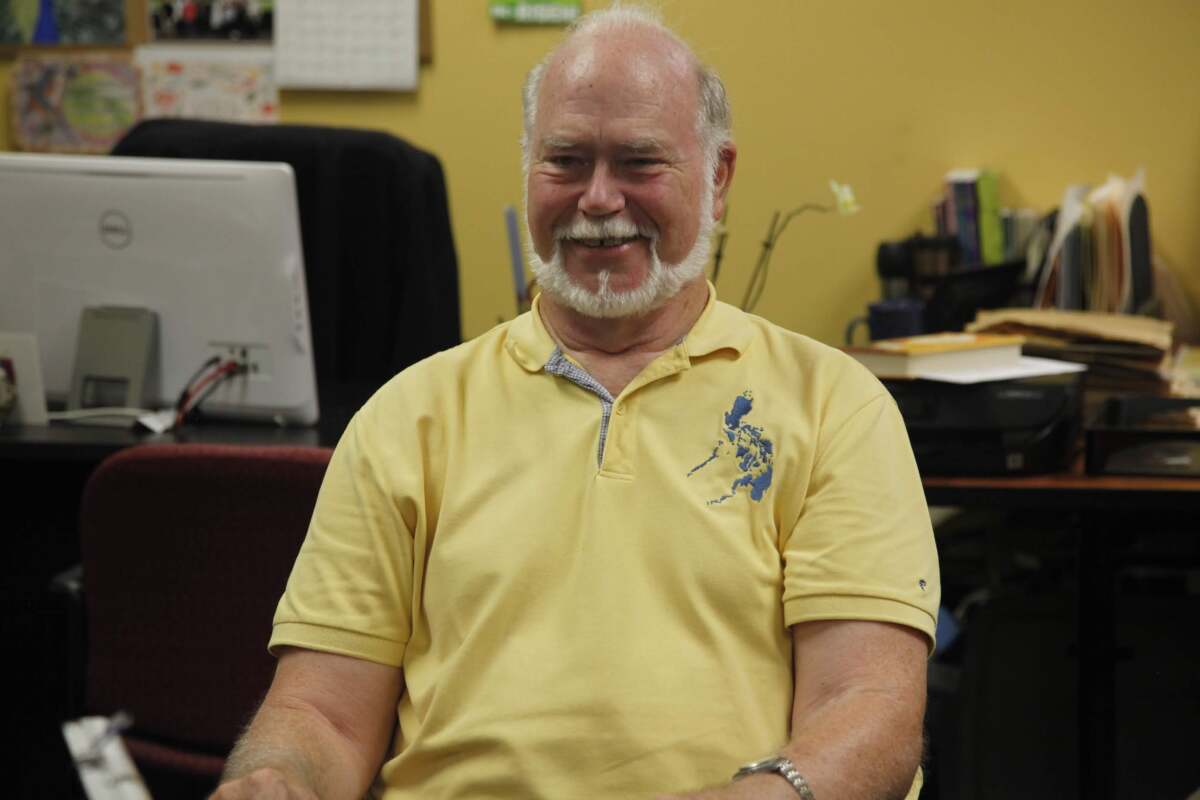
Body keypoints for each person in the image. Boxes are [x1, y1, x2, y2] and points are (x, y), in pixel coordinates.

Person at [212, 6, 939, 799]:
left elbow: (867, 709)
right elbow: (323, 715)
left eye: (638, 162)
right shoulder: (406, 419)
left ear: (718, 176)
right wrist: (277, 777)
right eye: (565, 161)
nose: (598, 199)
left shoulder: (835, 408)